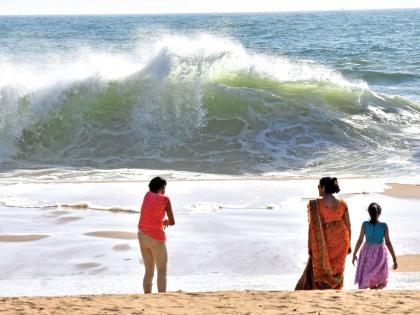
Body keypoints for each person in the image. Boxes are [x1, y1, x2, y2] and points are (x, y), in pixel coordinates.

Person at [295, 177, 351, 290]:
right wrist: (349, 244)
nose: (318, 189)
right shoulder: (343, 204)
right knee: (337, 268)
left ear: (324, 188)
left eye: (319, 186)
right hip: (342, 241)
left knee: (322, 267)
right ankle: (336, 289)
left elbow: (312, 227)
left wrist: (310, 245)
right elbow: (349, 225)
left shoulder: (315, 204)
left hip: (324, 242)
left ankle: (319, 289)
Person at [137, 177, 175, 293]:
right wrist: (166, 222)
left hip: (142, 235)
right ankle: (161, 297)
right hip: (155, 238)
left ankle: (147, 295)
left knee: (149, 271)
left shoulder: (147, 195)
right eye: (165, 187)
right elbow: (172, 222)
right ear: (162, 187)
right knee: (162, 270)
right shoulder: (165, 199)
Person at [352, 202, 397, 289]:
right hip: (379, 253)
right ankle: (374, 291)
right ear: (379, 213)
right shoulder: (384, 226)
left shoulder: (365, 224)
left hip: (366, 252)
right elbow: (388, 243)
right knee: (376, 273)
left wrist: (354, 254)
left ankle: (369, 291)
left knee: (368, 273)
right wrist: (394, 258)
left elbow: (360, 240)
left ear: (369, 212)